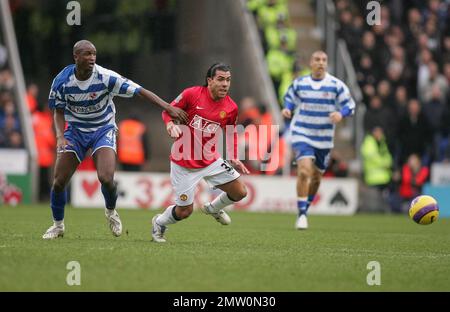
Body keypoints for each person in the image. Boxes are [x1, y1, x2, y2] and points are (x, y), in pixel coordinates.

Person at [42, 40, 188, 240]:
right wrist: (60, 136)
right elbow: (58, 111)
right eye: (86, 54)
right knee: (59, 182)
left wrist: (168, 107)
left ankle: (111, 211)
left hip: (103, 129)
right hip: (75, 131)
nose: (92, 58)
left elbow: (140, 91)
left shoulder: (105, 77)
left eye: (94, 53)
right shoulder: (62, 81)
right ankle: (58, 226)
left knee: (106, 178)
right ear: (76, 57)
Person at [151, 63, 249, 243]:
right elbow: (168, 111)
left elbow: (231, 132)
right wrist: (170, 124)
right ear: (209, 80)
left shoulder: (231, 107)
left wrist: (233, 155)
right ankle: (158, 222)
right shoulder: (192, 94)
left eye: (228, 80)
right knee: (184, 212)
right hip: (184, 164)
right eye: (220, 79)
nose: (225, 84)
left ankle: (212, 208)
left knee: (241, 192)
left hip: (210, 160)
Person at [282, 51, 355, 230]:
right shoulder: (300, 83)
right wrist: (288, 109)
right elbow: (289, 98)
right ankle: (301, 215)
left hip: (323, 138)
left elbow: (350, 105)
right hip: (302, 133)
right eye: (317, 60)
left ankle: (305, 208)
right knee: (304, 171)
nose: (321, 63)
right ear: (310, 62)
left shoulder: (336, 85)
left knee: (315, 178)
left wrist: (341, 113)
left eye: (324, 60)